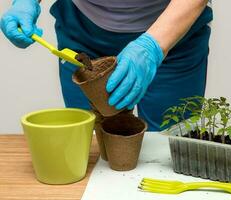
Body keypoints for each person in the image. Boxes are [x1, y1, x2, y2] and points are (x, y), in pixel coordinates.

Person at [1, 0, 213, 131]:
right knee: (90, 148)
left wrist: (153, 46)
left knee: (170, 145)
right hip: (83, 31)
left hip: (175, 32)